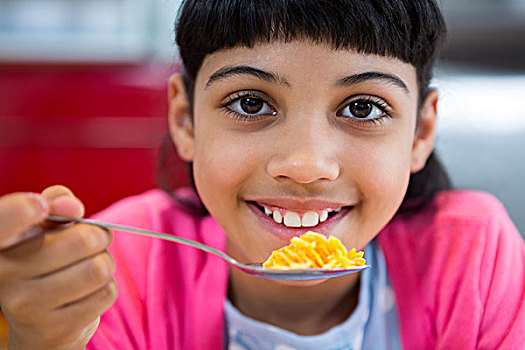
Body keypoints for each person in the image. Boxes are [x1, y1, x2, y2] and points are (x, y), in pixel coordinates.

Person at [1, 0, 524, 349]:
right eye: (251, 103)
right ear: (185, 120)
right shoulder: (122, 268)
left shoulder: (471, 258)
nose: (304, 165)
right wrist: (37, 339)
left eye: (363, 109)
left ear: (420, 133)